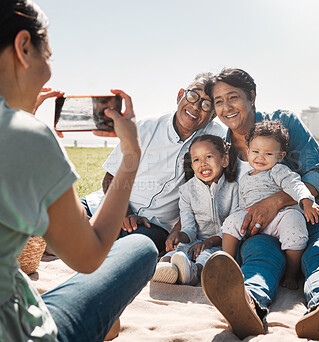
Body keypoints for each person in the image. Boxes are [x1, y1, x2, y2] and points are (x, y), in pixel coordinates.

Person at [0, 1, 158, 341]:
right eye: (49, 56)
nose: (49, 69)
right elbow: (89, 256)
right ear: (23, 46)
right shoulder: (26, 137)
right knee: (140, 249)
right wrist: (131, 154)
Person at [200, 68, 319, 340]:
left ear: (252, 97)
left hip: (317, 214)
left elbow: (318, 174)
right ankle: (249, 306)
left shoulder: (283, 123)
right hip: (263, 230)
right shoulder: (222, 149)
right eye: (219, 101)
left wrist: (276, 201)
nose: (226, 106)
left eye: (233, 97)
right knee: (258, 256)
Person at [82, 74, 226, 254]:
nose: (196, 106)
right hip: (108, 206)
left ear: (213, 115)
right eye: (192, 95)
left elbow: (208, 193)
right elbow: (110, 177)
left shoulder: (215, 138)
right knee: (51, 220)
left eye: (206, 104)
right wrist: (124, 214)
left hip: (155, 226)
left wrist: (178, 230)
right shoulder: (145, 126)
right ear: (180, 94)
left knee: (132, 249)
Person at [221, 120, 319, 290]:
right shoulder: (245, 177)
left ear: (280, 156)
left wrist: (306, 201)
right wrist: (243, 222)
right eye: (255, 151)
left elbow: (295, 185)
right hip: (255, 221)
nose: (260, 157)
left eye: (268, 154)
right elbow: (242, 203)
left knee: (294, 223)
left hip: (280, 218)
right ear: (247, 152)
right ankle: (227, 263)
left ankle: (291, 273)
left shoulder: (278, 171)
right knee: (230, 222)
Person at [151, 134, 238, 285]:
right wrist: (179, 235)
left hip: (219, 242)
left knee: (208, 257)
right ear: (192, 166)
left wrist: (210, 242)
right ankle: (164, 266)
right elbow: (189, 228)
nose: (202, 164)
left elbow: (233, 227)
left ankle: (193, 273)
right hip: (195, 239)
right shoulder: (186, 191)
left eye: (209, 157)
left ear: (224, 160)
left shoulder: (234, 189)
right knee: (179, 250)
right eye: (196, 160)